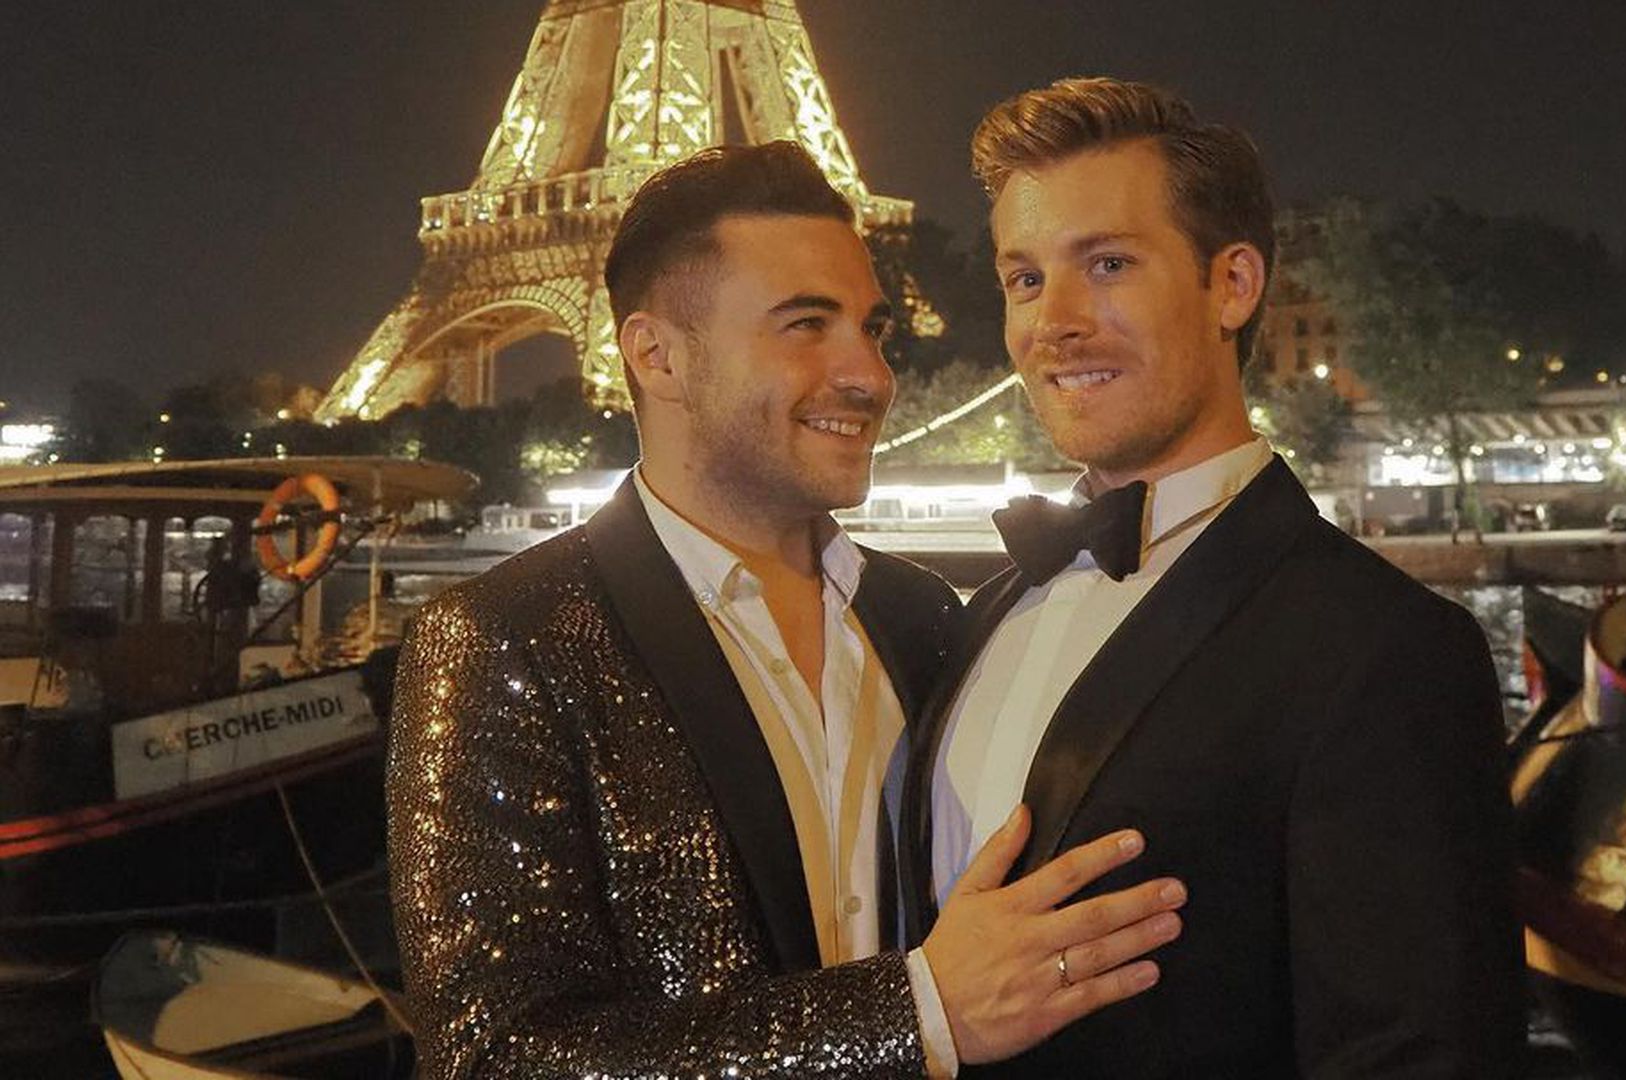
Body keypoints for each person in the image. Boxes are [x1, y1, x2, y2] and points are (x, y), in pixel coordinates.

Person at [388, 142, 1187, 1079]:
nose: (870, 375)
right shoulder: (502, 640)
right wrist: (916, 1012)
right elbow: (495, 1058)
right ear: (656, 356)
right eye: (806, 325)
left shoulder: (924, 619)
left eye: (872, 328)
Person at [900, 79, 1524, 1076]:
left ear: (1232, 285)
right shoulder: (986, 615)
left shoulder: (1386, 649)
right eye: (1024, 278)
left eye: (1107, 264)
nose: (1054, 320)